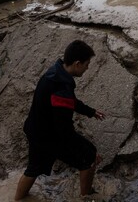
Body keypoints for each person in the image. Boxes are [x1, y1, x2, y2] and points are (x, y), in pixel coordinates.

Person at [14, 40, 106, 200]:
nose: (87, 68)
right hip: (48, 135)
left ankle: (18, 199)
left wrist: (90, 112)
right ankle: (86, 197)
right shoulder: (62, 88)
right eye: (87, 64)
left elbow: (70, 102)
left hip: (35, 129)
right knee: (89, 157)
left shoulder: (55, 72)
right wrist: (88, 151)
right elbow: (64, 129)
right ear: (77, 64)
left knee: (33, 169)